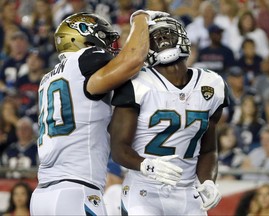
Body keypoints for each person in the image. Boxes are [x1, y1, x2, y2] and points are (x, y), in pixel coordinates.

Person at [29, 10, 169, 216]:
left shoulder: (48, 79)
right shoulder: (82, 60)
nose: (108, 47)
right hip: (76, 189)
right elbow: (133, 60)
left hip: (45, 193)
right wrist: (141, 18)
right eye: (103, 39)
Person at [109, 16, 229, 215]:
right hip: (144, 189)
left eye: (168, 33)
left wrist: (207, 182)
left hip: (189, 192)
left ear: (183, 38)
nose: (163, 39)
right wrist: (146, 165)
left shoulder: (211, 84)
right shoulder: (137, 84)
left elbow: (208, 149)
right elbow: (118, 147)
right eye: (155, 36)